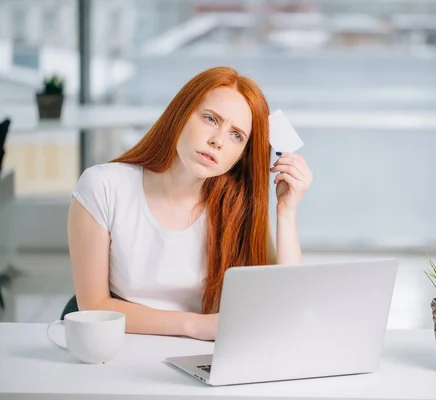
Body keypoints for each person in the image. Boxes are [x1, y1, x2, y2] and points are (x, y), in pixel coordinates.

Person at [66, 66, 313, 341]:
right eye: (210, 119)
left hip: (194, 354)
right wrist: (196, 326)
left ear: (242, 155)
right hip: (117, 347)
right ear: (182, 113)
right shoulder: (103, 186)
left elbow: (287, 304)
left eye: (236, 135)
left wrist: (287, 213)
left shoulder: (238, 207)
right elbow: (94, 305)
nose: (217, 141)